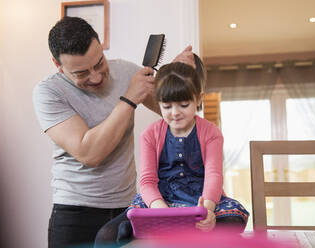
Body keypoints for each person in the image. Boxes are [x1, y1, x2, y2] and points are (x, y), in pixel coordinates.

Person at [32, 16, 194, 248]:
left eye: (99, 63)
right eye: (81, 73)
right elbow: (89, 153)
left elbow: (174, 111)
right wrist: (129, 98)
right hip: (75, 215)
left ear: (100, 46)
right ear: (58, 65)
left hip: (127, 211)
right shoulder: (48, 93)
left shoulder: (127, 70)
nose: (96, 77)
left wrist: (177, 76)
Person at [94, 60, 249, 247]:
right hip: (160, 200)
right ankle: (147, 228)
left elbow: (213, 176)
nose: (175, 113)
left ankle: (180, 229)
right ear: (159, 103)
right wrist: (162, 213)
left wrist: (207, 211)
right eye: (167, 107)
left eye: (183, 105)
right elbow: (147, 181)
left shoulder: (212, 132)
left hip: (201, 199)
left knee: (234, 220)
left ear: (198, 99)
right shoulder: (150, 135)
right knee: (106, 235)